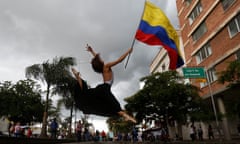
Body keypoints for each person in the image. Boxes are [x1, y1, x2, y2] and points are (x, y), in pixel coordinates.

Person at [72, 44, 136, 123]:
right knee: (115, 105)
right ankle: (125, 115)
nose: (102, 59)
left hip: (103, 89)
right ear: (100, 62)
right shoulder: (106, 66)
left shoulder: (102, 68)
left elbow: (97, 59)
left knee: (111, 105)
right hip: (104, 88)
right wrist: (128, 52)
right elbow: (119, 60)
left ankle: (125, 115)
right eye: (100, 59)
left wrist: (91, 51)